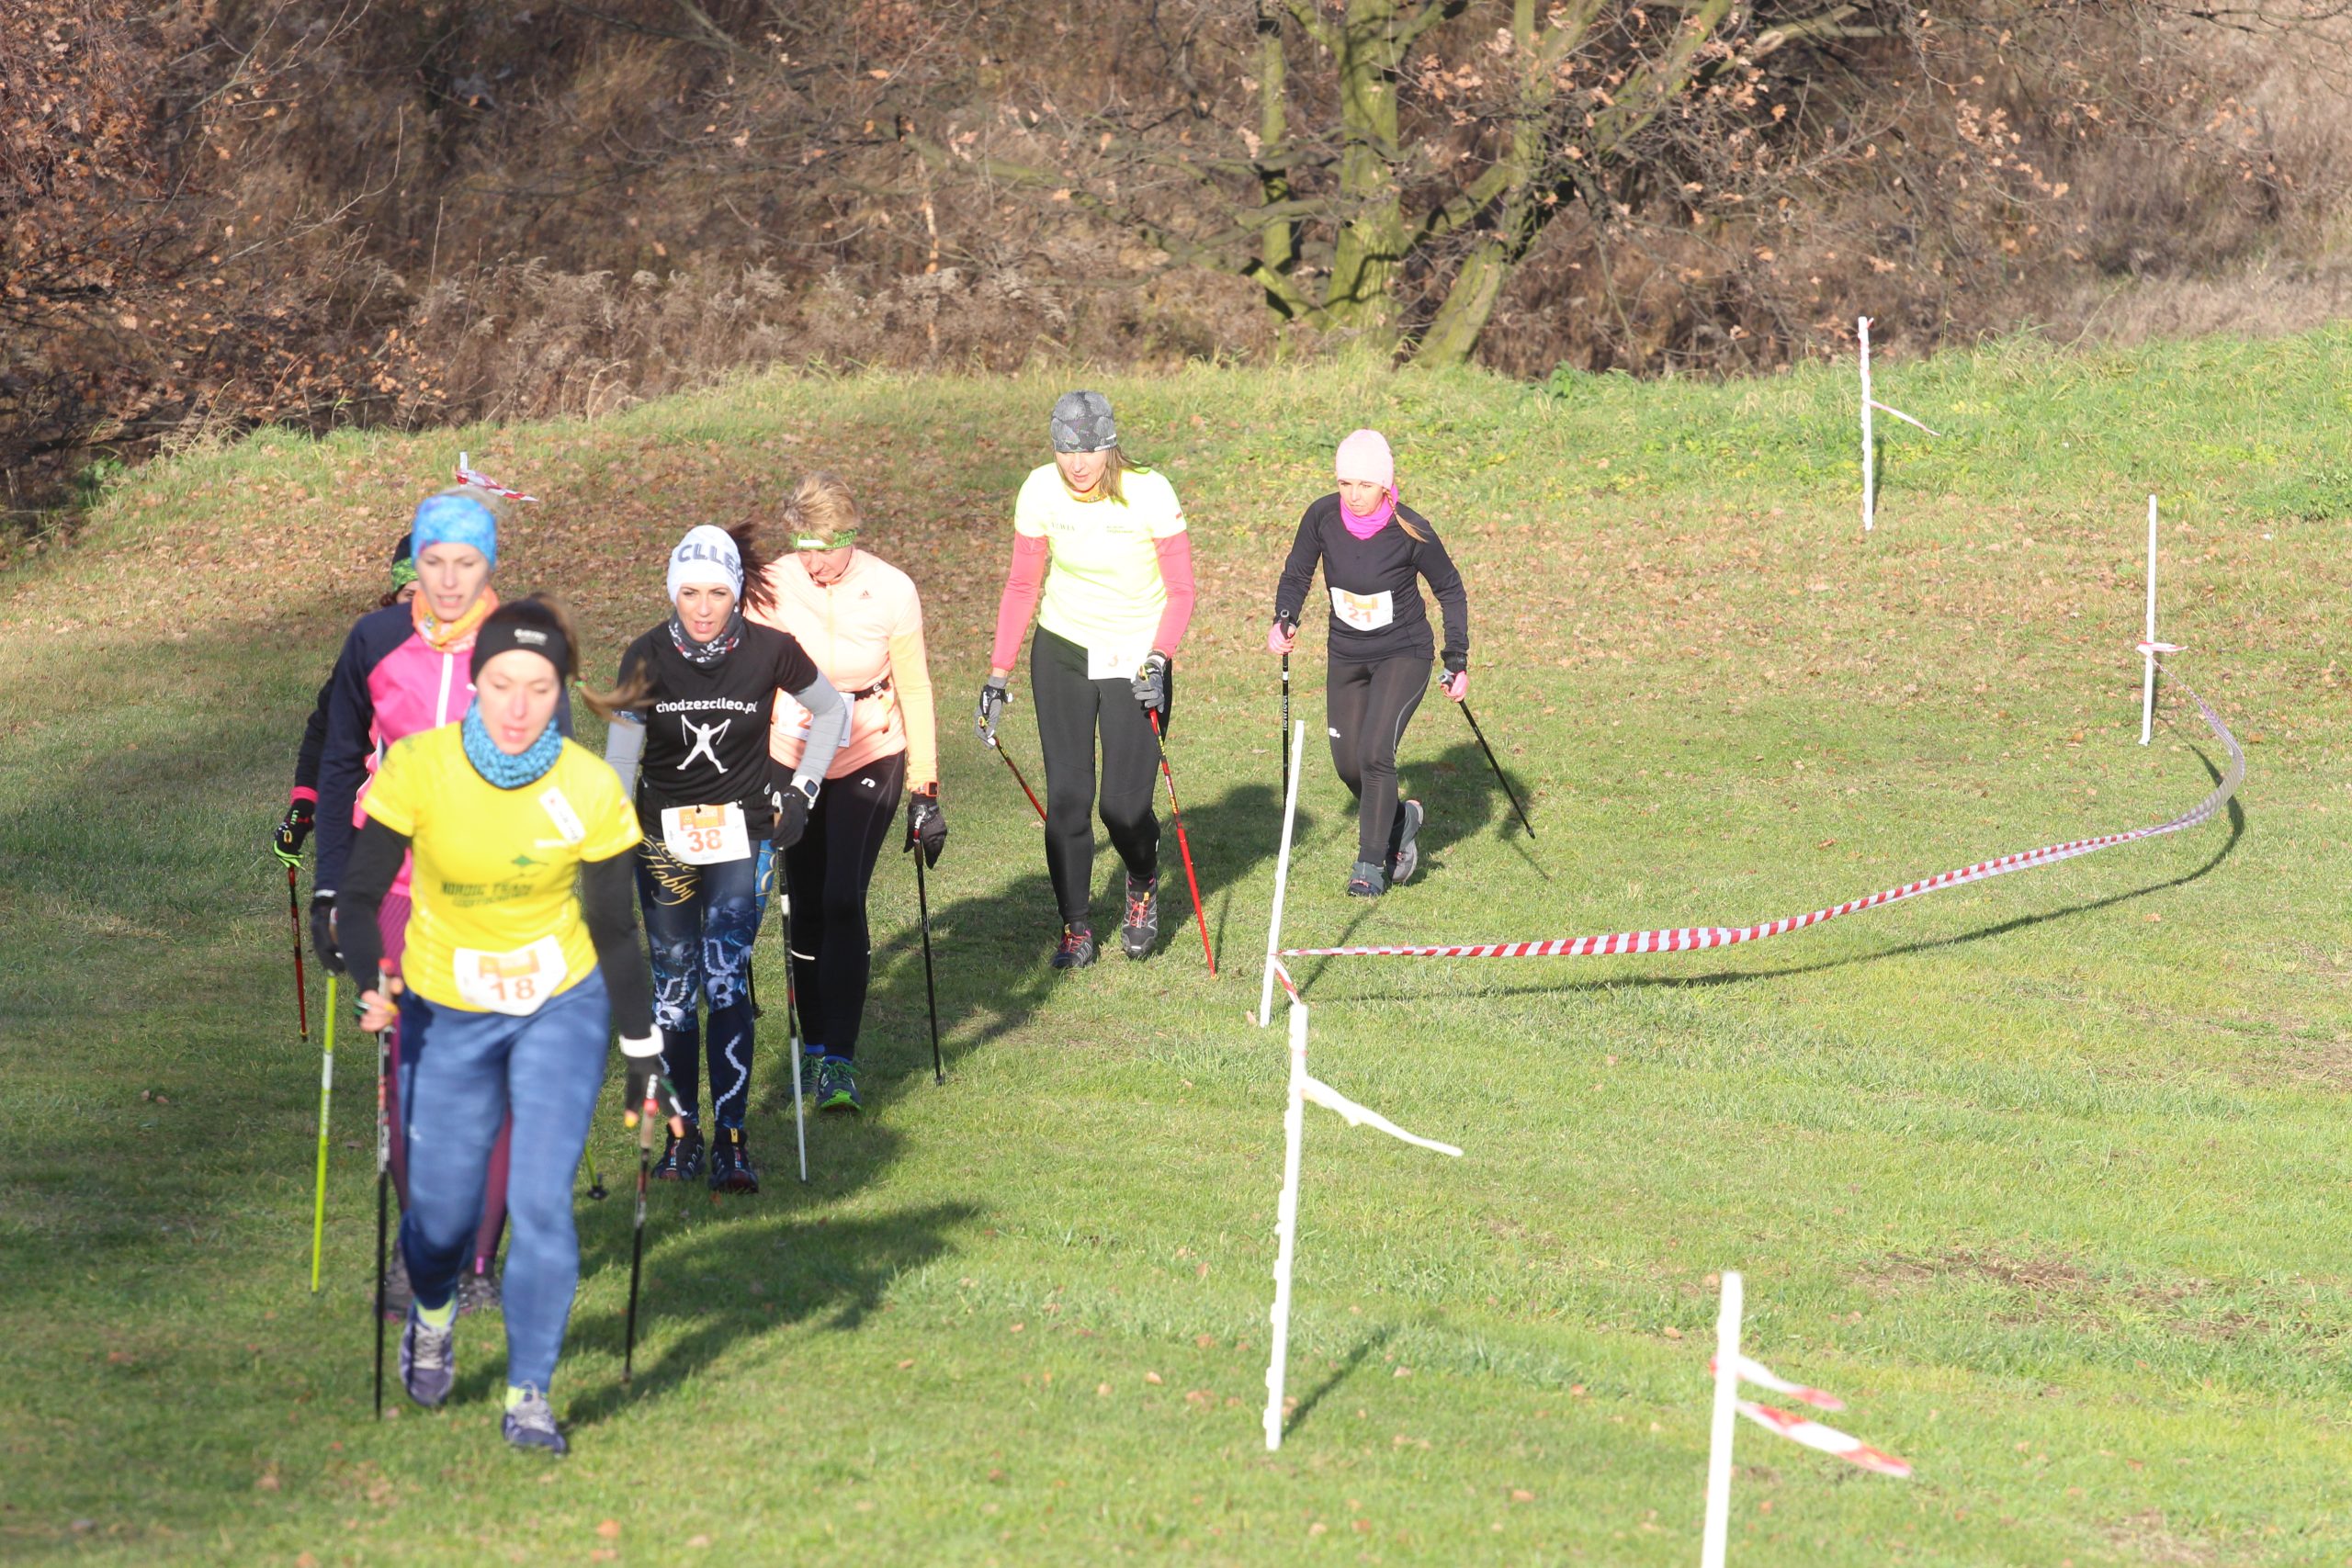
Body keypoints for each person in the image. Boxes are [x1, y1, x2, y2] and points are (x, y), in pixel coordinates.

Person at [336, 596, 656, 1455]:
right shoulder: (420, 766)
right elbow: (362, 900)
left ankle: (529, 1394)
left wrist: (643, 1048)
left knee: (541, 1203)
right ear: (474, 681)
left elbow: (617, 928)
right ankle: (433, 1312)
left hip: (561, 1003)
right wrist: (373, 977)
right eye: (502, 684)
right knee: (439, 1216)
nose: (518, 707)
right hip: (446, 1006)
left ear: (563, 690)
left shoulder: (589, 785)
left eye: (540, 687)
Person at [313, 489, 542, 1314]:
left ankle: (478, 1264)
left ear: (491, 566)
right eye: (433, 562)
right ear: (415, 564)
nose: (448, 582)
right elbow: (341, 761)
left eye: (466, 563)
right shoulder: (373, 640)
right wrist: (332, 888)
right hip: (396, 885)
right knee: (409, 1076)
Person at [604, 523, 847, 1191]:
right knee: (676, 990)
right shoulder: (645, 655)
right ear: (672, 591)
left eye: (717, 592)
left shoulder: (772, 650)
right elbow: (621, 757)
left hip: (744, 836)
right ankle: (682, 1137)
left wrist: (801, 791)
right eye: (689, 592)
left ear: (737, 592)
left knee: (724, 977)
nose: (703, 607)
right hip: (663, 840)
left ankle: (732, 1139)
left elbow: (833, 713)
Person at [750, 474, 945, 1115]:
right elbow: (749, 675)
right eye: (803, 545)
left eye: (825, 547)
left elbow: (913, 686)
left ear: (851, 536)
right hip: (792, 748)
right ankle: (810, 1046)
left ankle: (840, 1059)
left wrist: (926, 785)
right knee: (803, 901)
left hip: (869, 746)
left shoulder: (890, 589)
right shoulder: (774, 585)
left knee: (841, 897)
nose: (813, 561)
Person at [979, 390, 1194, 968]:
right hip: (1064, 650)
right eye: (1065, 450)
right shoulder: (1039, 489)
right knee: (1069, 800)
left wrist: (1159, 658)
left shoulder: (1149, 490)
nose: (1076, 464)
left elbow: (1181, 591)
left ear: (1110, 445)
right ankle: (1076, 926)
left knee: (1122, 809)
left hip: (1135, 655)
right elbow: (1023, 585)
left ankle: (1143, 881)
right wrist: (998, 676)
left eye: (1090, 451)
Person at [1268, 428, 1470, 897]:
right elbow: (1298, 571)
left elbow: (1450, 590)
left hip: (1404, 653)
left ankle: (1370, 862)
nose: (1354, 496)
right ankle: (1402, 819)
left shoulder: (1411, 530)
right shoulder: (1321, 517)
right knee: (1349, 765)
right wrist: (1285, 618)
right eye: (1345, 484)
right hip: (1346, 655)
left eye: (1365, 484)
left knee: (1377, 753)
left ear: (1385, 485)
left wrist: (1456, 656)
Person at [271, 533, 420, 870]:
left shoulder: (475, 657)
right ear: (394, 597)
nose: (419, 607)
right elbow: (327, 728)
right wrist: (303, 804)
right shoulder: (371, 652)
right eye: (409, 595)